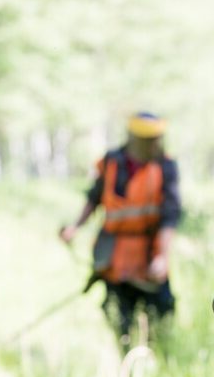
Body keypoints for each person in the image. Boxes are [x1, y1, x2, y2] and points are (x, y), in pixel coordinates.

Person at [60, 112, 182, 353]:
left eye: (157, 138)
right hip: (114, 258)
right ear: (134, 138)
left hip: (149, 257)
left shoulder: (166, 167)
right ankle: (126, 357)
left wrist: (161, 257)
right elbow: (94, 197)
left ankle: (155, 356)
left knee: (161, 311)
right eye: (149, 139)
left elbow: (170, 215)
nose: (155, 144)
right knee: (119, 315)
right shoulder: (111, 162)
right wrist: (75, 227)